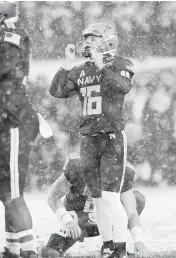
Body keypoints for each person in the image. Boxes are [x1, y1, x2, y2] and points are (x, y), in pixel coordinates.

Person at [49, 23, 134, 258]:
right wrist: (66, 64)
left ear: (108, 41)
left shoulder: (120, 63)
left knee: (110, 197)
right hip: (88, 138)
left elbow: (123, 86)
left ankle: (120, 247)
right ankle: (107, 245)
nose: (87, 44)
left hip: (112, 138)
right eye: (86, 40)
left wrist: (101, 66)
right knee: (97, 198)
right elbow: (56, 91)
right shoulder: (80, 69)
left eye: (93, 39)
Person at [0, 2, 53, 258]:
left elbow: (4, 67)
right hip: (6, 116)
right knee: (5, 191)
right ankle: (12, 247)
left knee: (12, 192)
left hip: (12, 119)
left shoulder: (11, 35)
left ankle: (29, 250)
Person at [39, 152, 149, 258]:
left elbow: (131, 213)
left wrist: (138, 240)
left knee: (138, 199)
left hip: (108, 219)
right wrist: (68, 220)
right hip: (79, 220)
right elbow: (52, 196)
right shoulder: (77, 166)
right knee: (50, 253)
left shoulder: (123, 171)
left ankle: (111, 244)